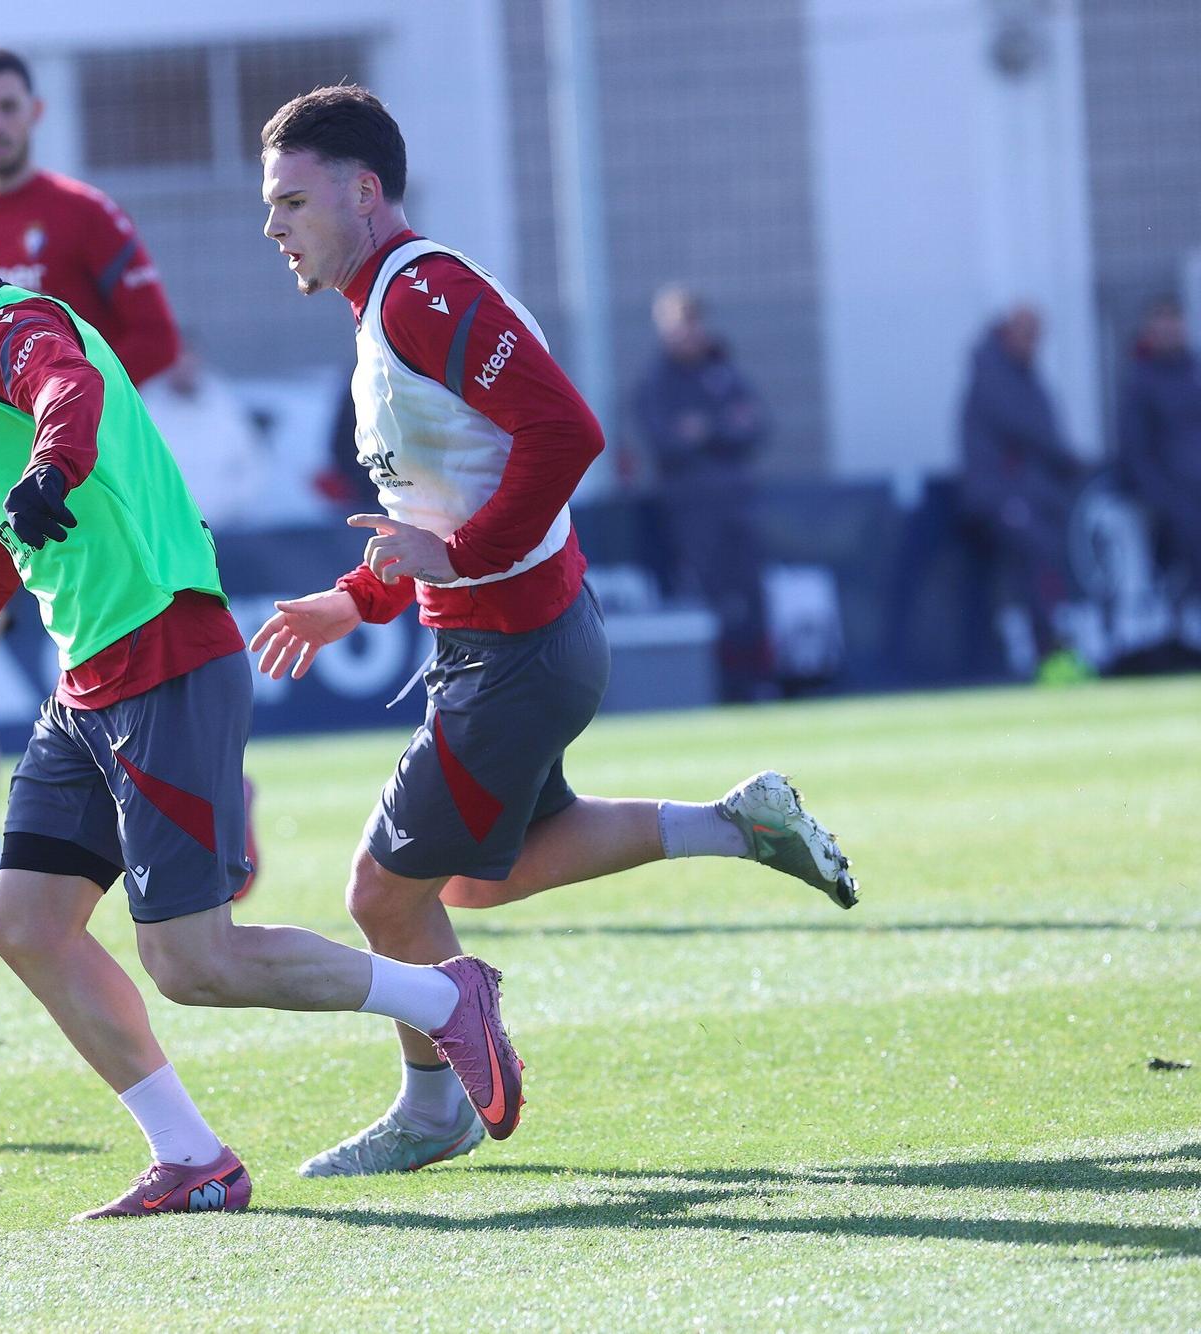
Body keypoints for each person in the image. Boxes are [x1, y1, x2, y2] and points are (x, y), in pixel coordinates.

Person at [0, 176, 524, 1218]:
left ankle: (443, 994)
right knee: (27, 925)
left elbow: (67, 391)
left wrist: (54, 466)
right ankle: (191, 1157)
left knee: (192, 961)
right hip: (91, 685)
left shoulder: (11, 328)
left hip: (163, 662)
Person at [249, 86, 858, 1178]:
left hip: (514, 651)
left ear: (364, 191)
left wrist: (464, 555)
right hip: (527, 642)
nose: (272, 226)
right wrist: (358, 598)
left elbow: (566, 430)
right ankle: (739, 826)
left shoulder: (421, 292)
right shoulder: (392, 302)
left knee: (380, 894)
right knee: (477, 880)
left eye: (291, 201)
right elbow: (435, 511)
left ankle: (432, 1109)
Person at [0, 46, 255, 936]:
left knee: (107, 662)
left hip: (80, 485)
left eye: (7, 105)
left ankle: (218, 787)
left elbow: (155, 338)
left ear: (36, 112)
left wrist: (59, 398)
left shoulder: (82, 215)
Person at [632, 285, 775, 700]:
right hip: (690, 510)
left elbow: (755, 426)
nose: (687, 333)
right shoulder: (656, 383)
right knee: (706, 595)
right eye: (677, 324)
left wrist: (705, 429)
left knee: (751, 593)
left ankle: (759, 680)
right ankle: (715, 683)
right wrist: (719, 428)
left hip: (740, 504)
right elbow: (665, 442)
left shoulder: (724, 371)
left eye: (692, 322)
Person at [956, 304, 1088, 676]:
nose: (1033, 343)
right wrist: (1068, 459)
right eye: (1027, 334)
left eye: (1037, 336)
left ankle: (1054, 650)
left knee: (1045, 563)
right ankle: (1050, 655)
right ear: (1008, 334)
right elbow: (1034, 432)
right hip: (1001, 497)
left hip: (1025, 495)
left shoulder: (1025, 376)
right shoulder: (995, 376)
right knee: (1038, 559)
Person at [1116, 296, 1201, 589]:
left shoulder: (1194, 371)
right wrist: (1162, 500)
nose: (1170, 331)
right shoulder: (1140, 382)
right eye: (1162, 325)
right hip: (1175, 497)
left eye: (1174, 323)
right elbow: (1135, 451)